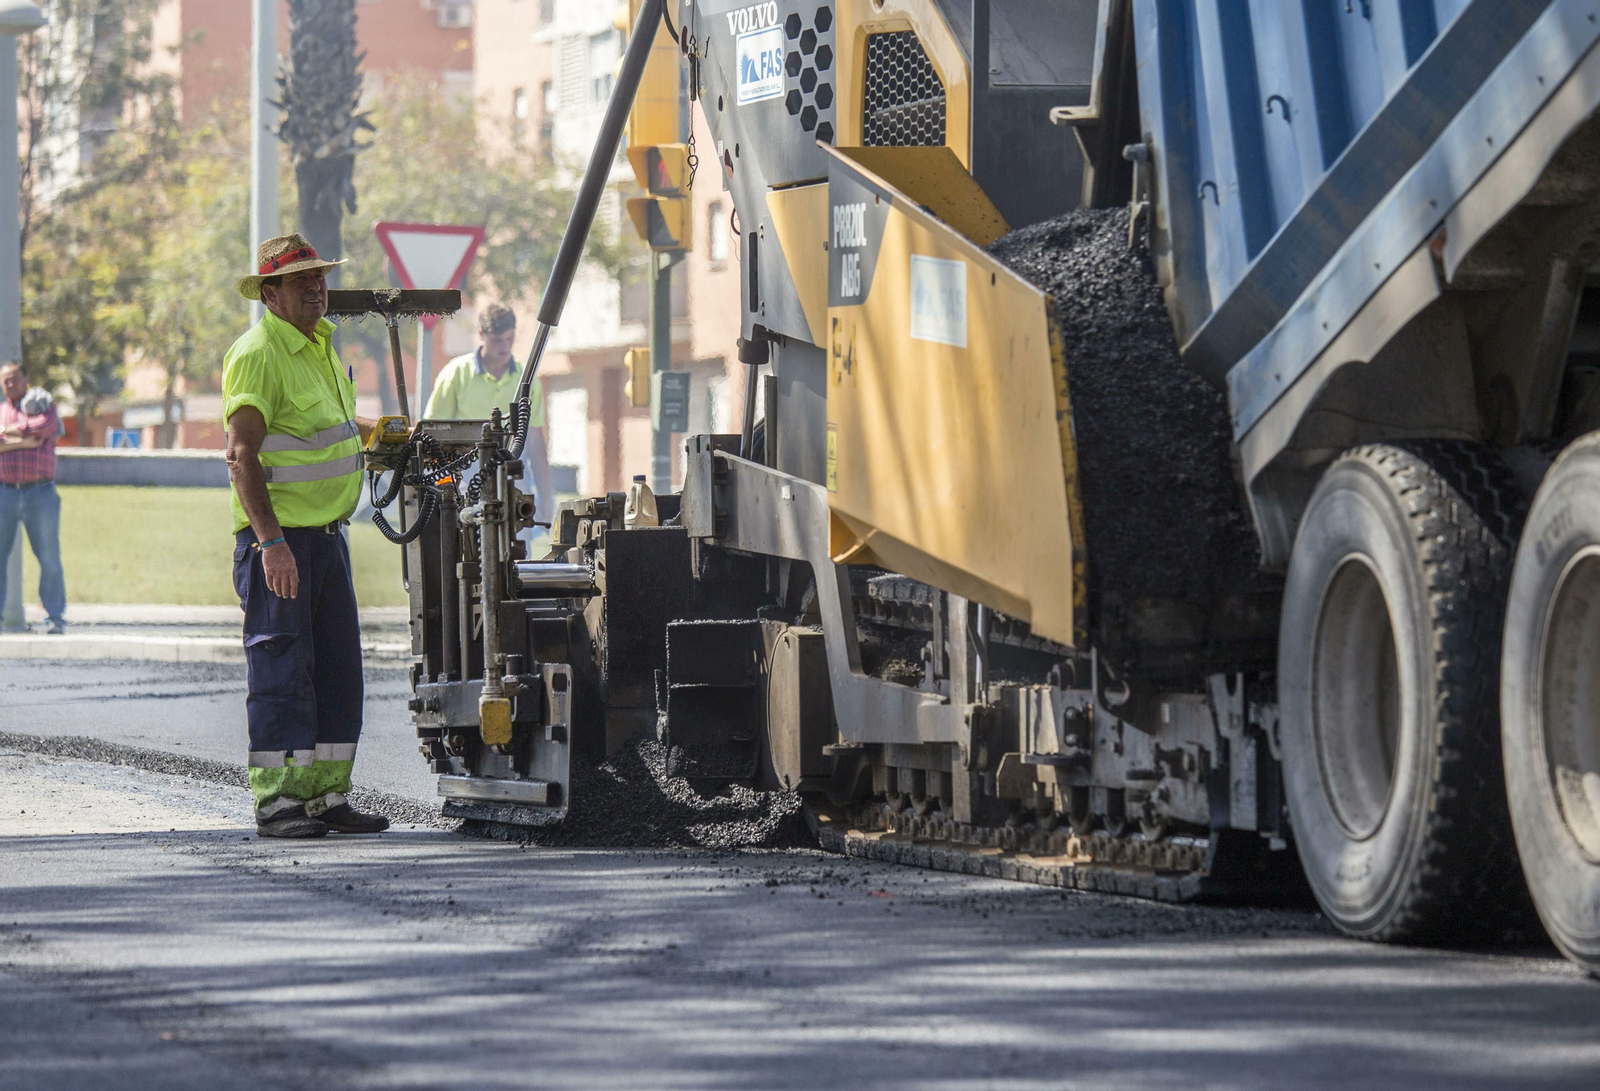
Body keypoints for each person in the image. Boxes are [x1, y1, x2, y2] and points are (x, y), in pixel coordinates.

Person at [225, 233, 390, 839]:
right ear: (271, 294)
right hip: (282, 544)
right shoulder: (259, 353)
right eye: (301, 280)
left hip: (326, 539)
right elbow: (242, 455)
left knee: (337, 673)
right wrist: (271, 544)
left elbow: (330, 429)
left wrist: (381, 432)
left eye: (319, 276)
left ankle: (325, 798)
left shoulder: (318, 345)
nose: (317, 287)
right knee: (284, 672)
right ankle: (278, 803)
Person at [422, 302, 554, 531]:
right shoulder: (455, 375)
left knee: (518, 557)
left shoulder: (527, 380)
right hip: (464, 486)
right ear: (481, 335)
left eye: (509, 339)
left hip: (513, 485)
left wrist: (546, 499)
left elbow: (535, 444)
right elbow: (432, 438)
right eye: (496, 340)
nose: (504, 347)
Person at [0, 361, 66, 635]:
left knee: (48, 555)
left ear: (26, 378)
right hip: (5, 493)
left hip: (40, 492)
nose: (9, 385)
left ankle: (54, 618)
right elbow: (33, 432)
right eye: (5, 381)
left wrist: (8, 435)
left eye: (14, 379)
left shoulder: (43, 403)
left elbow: (45, 425)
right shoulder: (1, 411)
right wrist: (26, 440)